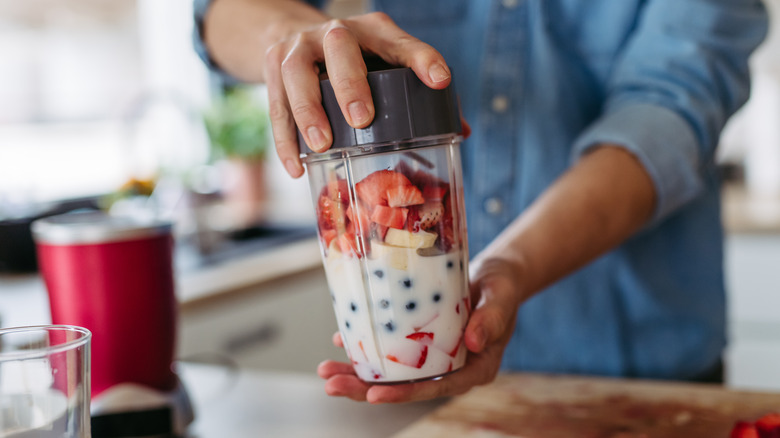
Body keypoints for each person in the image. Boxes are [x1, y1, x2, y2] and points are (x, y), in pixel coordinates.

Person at [193, 0, 768, 403]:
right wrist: (306, 38)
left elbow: (667, 121)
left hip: (642, 382)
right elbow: (219, 12)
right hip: (427, 392)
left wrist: (508, 267)